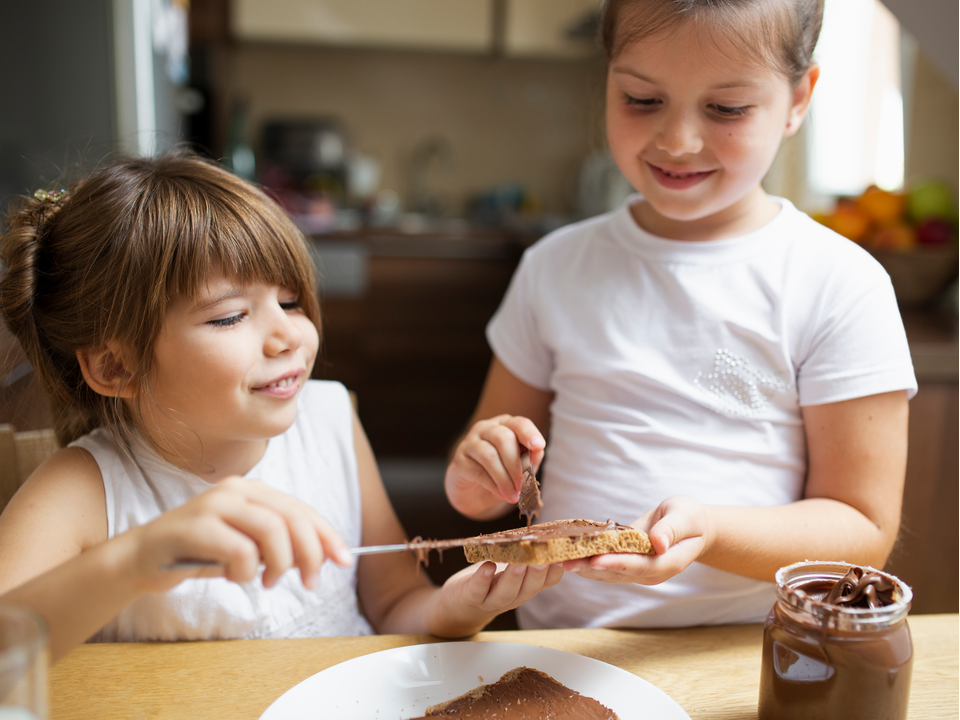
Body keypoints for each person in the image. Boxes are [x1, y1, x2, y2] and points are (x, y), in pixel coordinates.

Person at [445, 0, 916, 630]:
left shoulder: (839, 283)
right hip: (561, 651)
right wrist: (479, 469)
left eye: (726, 109)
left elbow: (863, 530)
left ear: (799, 98)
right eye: (641, 98)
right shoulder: (554, 267)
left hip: (744, 658)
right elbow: (478, 489)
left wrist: (713, 532)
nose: (677, 140)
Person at [0, 152, 562, 663]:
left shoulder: (330, 419)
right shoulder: (85, 487)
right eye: (229, 317)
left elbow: (393, 601)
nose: (288, 334)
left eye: (290, 301)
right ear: (116, 367)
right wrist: (140, 557)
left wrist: (456, 608)